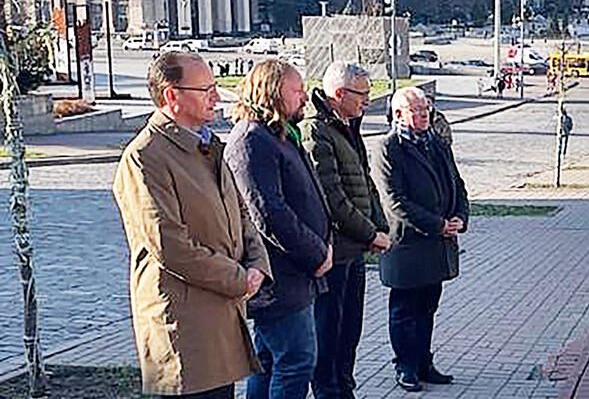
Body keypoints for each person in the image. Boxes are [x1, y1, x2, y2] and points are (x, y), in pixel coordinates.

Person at [113, 52, 271, 398]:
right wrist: (238, 279)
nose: (217, 96)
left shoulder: (209, 146)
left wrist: (257, 264)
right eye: (207, 89)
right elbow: (170, 245)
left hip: (220, 320)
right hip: (185, 329)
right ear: (172, 95)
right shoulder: (146, 157)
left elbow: (242, 214)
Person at [225, 59, 332, 399]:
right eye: (296, 90)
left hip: (296, 272)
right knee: (297, 360)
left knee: (271, 359)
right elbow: (268, 212)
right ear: (272, 92)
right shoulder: (251, 141)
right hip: (280, 274)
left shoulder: (279, 133)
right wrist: (316, 253)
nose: (304, 97)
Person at [300, 62, 391, 399]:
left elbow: (365, 184)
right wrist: (370, 233)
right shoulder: (317, 131)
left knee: (349, 328)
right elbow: (332, 197)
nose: (368, 101)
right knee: (329, 328)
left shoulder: (347, 126)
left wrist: (380, 226)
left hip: (354, 248)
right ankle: (328, 389)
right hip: (334, 251)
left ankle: (343, 385)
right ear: (339, 94)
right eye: (363, 94)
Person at [374, 87, 470, 392]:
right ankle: (406, 365)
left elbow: (457, 184)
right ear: (399, 114)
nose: (423, 114)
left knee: (428, 306)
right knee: (404, 309)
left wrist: (460, 217)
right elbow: (395, 201)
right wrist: (437, 224)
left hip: (438, 244)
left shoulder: (436, 143)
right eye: (416, 110)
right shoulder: (389, 148)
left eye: (425, 108)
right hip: (407, 245)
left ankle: (424, 362)